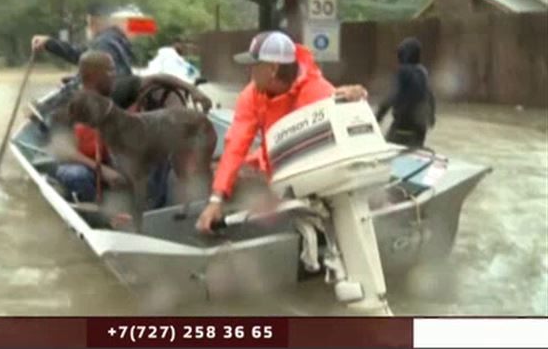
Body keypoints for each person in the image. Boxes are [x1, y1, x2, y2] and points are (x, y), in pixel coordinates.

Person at [195, 31, 368, 233]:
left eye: (254, 66)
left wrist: (357, 96)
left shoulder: (316, 92)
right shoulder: (251, 96)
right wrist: (217, 198)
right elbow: (235, 147)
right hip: (273, 173)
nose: (250, 72)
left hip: (312, 179)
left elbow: (350, 114)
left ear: (273, 68)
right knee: (223, 173)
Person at [53, 50, 212, 210]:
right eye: (110, 70)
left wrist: (193, 90)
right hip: (89, 168)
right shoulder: (68, 104)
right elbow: (64, 151)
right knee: (74, 175)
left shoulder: (117, 90)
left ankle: (151, 208)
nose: (115, 75)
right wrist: (103, 170)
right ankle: (102, 215)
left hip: (120, 159)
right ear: (92, 74)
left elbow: (158, 78)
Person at [375, 37, 436, 147]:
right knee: (414, 150)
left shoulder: (402, 72)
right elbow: (430, 95)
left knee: (386, 148)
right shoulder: (422, 72)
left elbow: (392, 96)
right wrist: (431, 117)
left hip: (402, 126)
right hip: (420, 127)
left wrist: (378, 117)